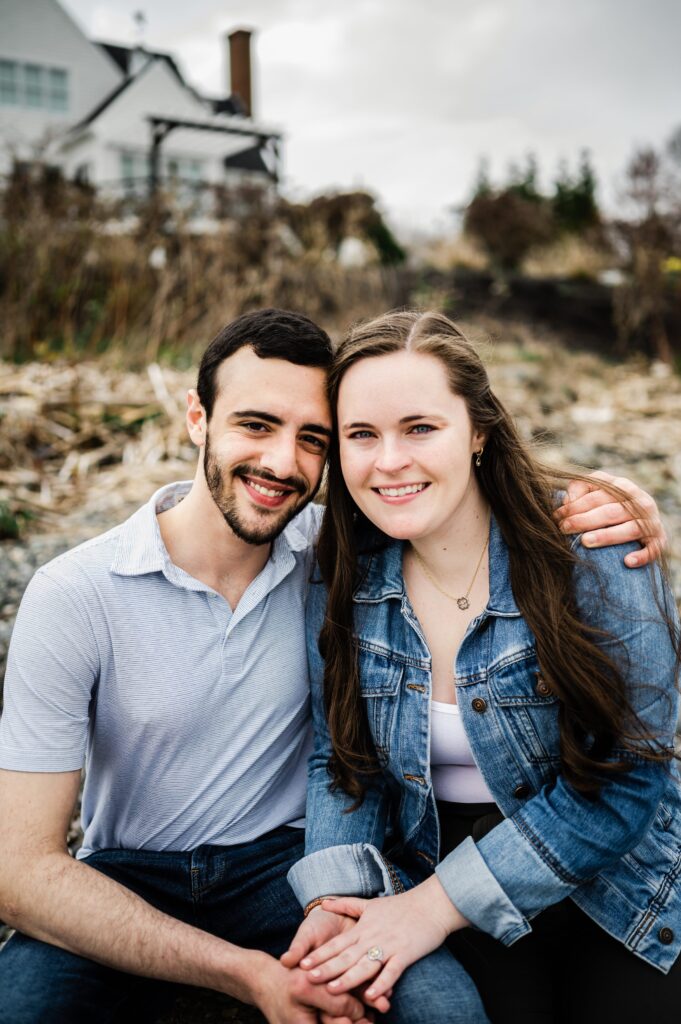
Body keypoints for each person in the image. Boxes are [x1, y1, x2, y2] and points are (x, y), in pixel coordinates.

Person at [0, 308, 666, 1024]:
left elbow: (626, 774)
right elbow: (18, 870)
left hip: (314, 869)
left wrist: (619, 500)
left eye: (311, 438)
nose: (283, 464)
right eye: (255, 425)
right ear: (197, 418)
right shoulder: (83, 592)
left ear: (477, 431)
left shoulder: (330, 555)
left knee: (444, 1011)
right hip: (139, 873)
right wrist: (272, 951)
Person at [284, 309, 681, 1024]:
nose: (388, 461)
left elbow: (629, 783)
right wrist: (333, 899)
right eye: (360, 435)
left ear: (478, 432)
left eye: (419, 428)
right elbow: (341, 764)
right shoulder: (341, 574)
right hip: (436, 868)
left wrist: (426, 913)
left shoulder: (591, 546)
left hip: (619, 881)